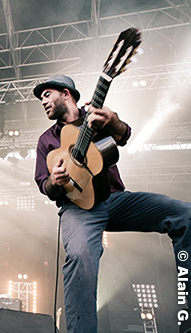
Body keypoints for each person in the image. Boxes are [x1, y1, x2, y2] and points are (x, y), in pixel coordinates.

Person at [33, 75, 191, 332]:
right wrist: (54, 179)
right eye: (41, 98)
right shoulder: (47, 141)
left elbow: (124, 135)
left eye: (47, 94)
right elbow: (45, 187)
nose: (43, 101)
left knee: (185, 214)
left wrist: (113, 121)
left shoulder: (95, 117)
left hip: (115, 198)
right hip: (78, 208)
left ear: (66, 93)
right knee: (80, 255)